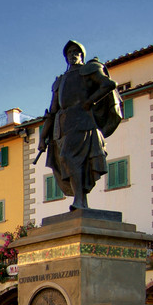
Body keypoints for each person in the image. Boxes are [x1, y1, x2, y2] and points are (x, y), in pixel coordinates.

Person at [38, 40, 122, 211]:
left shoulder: (89, 70)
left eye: (76, 52)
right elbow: (52, 111)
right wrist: (43, 137)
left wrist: (90, 101)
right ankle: (81, 202)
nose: (73, 55)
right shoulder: (60, 81)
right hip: (62, 126)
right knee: (68, 161)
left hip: (82, 120)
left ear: (82, 55)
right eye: (69, 53)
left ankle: (79, 200)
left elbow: (109, 84)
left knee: (69, 157)